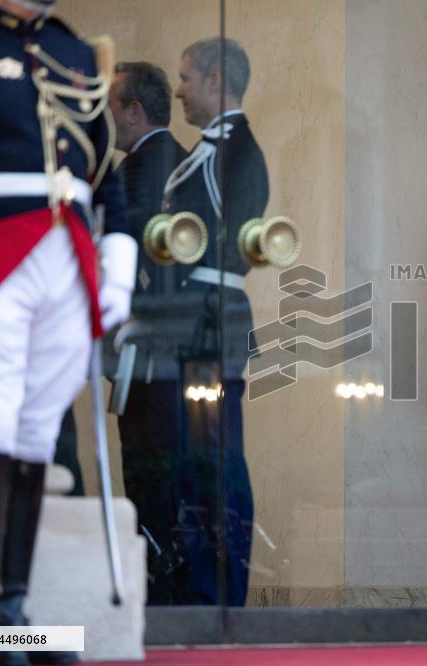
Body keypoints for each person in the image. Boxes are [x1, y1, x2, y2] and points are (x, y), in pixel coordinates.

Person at [0, 0, 135, 664]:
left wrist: (119, 274)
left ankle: (13, 610)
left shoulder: (75, 51)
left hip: (68, 259)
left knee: (38, 429)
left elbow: (105, 178)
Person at [160, 36, 269, 606]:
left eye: (185, 77)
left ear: (215, 82)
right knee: (195, 462)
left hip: (209, 320)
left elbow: (215, 248)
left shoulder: (235, 151)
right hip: (191, 322)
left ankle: (218, 596)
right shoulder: (212, 148)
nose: (177, 89)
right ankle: (199, 588)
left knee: (216, 462)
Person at [106, 60, 190, 605]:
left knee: (151, 476)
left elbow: (134, 263)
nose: (103, 118)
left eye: (108, 106)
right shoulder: (180, 161)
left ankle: (159, 600)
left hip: (154, 350)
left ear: (133, 111)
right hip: (178, 351)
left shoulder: (142, 171)